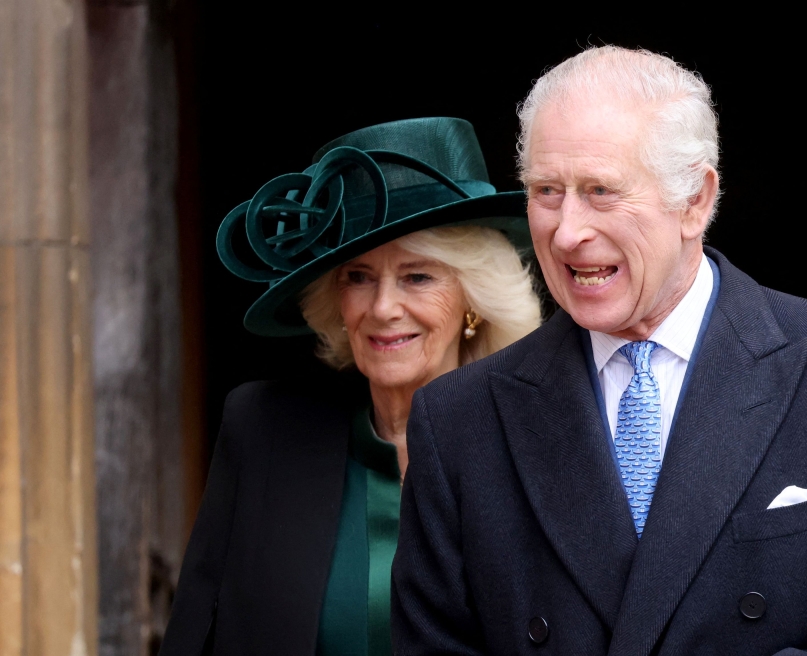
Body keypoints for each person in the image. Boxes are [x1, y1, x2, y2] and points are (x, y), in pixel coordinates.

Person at [391, 47, 807, 655]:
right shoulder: (456, 420)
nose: (567, 232)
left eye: (601, 191)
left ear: (695, 199)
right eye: (546, 191)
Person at [158, 117, 542, 656]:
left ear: (473, 300)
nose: (383, 308)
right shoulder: (263, 431)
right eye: (358, 277)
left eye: (418, 276)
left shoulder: (542, 446)